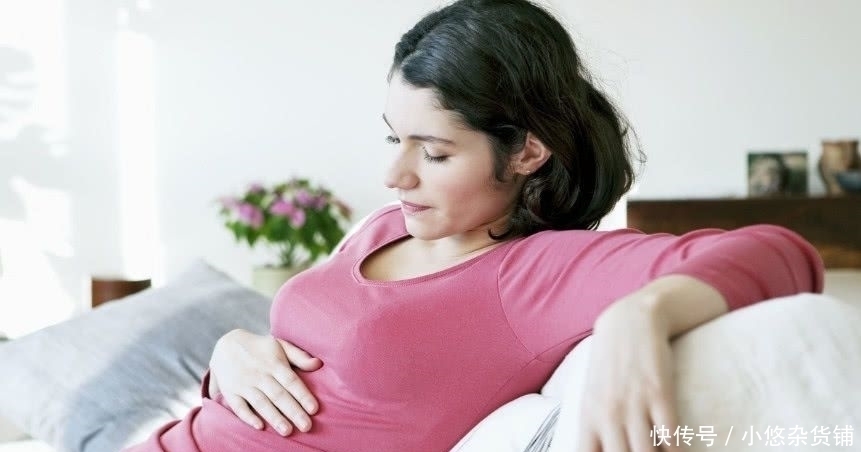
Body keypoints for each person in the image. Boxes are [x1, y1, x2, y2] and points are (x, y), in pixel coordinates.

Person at [125, 1, 824, 451]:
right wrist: (231, 352)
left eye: (433, 152)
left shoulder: (538, 271)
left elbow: (781, 253)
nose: (395, 176)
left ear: (525, 149)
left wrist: (639, 316)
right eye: (393, 139)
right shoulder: (381, 230)